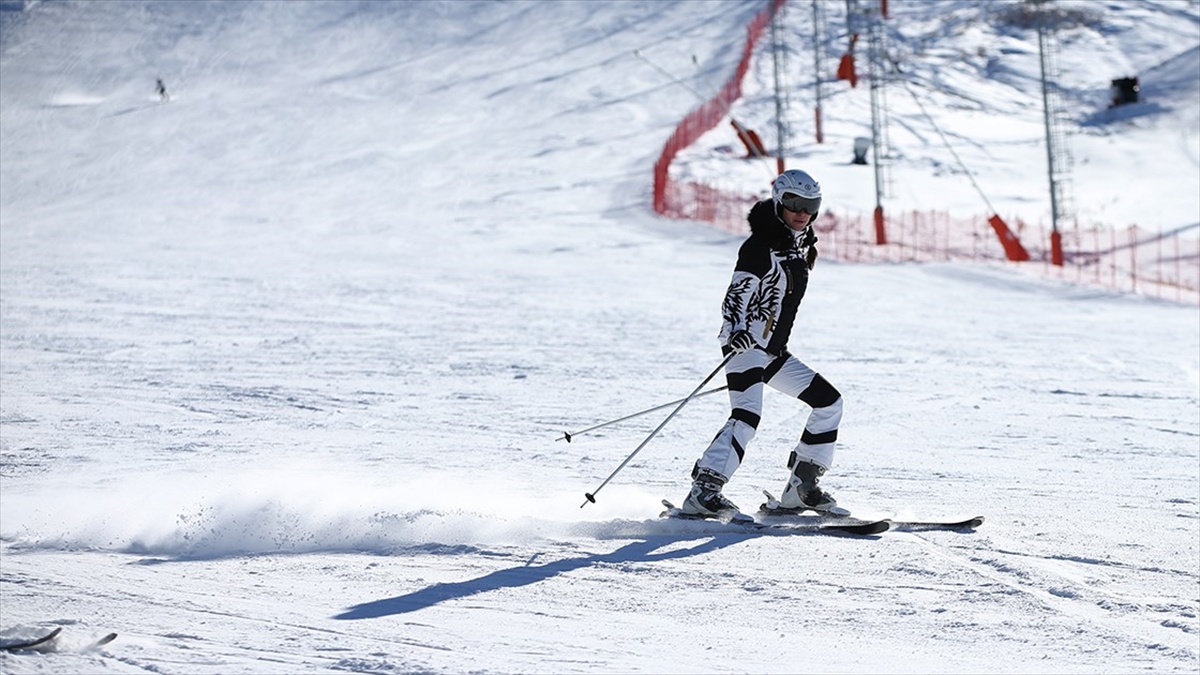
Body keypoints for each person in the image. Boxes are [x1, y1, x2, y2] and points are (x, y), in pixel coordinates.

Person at [680, 169, 843, 518]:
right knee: (747, 414)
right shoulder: (760, 246)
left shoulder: (798, 248)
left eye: (810, 205)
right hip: (744, 345)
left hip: (772, 352)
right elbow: (736, 293)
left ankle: (802, 487)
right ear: (778, 202)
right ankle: (704, 491)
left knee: (829, 403)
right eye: (794, 203)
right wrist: (736, 328)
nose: (803, 212)